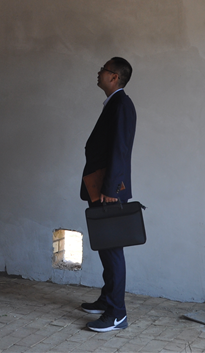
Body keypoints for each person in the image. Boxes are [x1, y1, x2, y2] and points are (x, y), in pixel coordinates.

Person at [80, 57, 137, 332]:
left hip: (109, 190)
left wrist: (112, 189)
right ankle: (107, 299)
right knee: (105, 246)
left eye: (103, 69)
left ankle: (117, 314)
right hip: (102, 187)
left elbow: (120, 149)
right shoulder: (114, 103)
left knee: (112, 250)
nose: (99, 72)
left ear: (114, 77)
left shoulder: (121, 105)